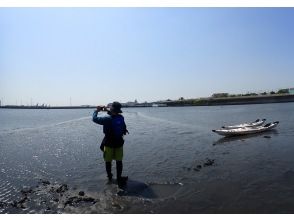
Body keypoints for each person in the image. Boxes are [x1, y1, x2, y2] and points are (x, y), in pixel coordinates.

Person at [92, 101, 128, 187]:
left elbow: (94, 119)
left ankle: (110, 177)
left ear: (112, 109)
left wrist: (96, 111)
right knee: (119, 161)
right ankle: (119, 178)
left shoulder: (107, 119)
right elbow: (120, 123)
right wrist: (106, 110)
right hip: (119, 142)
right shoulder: (121, 117)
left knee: (108, 161)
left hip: (109, 143)